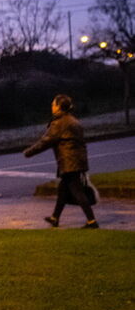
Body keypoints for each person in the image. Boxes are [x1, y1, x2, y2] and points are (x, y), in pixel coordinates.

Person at [23, 94, 99, 228]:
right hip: (76, 161)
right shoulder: (74, 121)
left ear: (59, 106)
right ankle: (55, 218)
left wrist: (29, 152)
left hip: (69, 162)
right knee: (63, 190)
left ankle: (92, 221)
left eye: (53, 104)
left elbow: (46, 141)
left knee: (77, 191)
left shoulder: (59, 123)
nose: (52, 106)